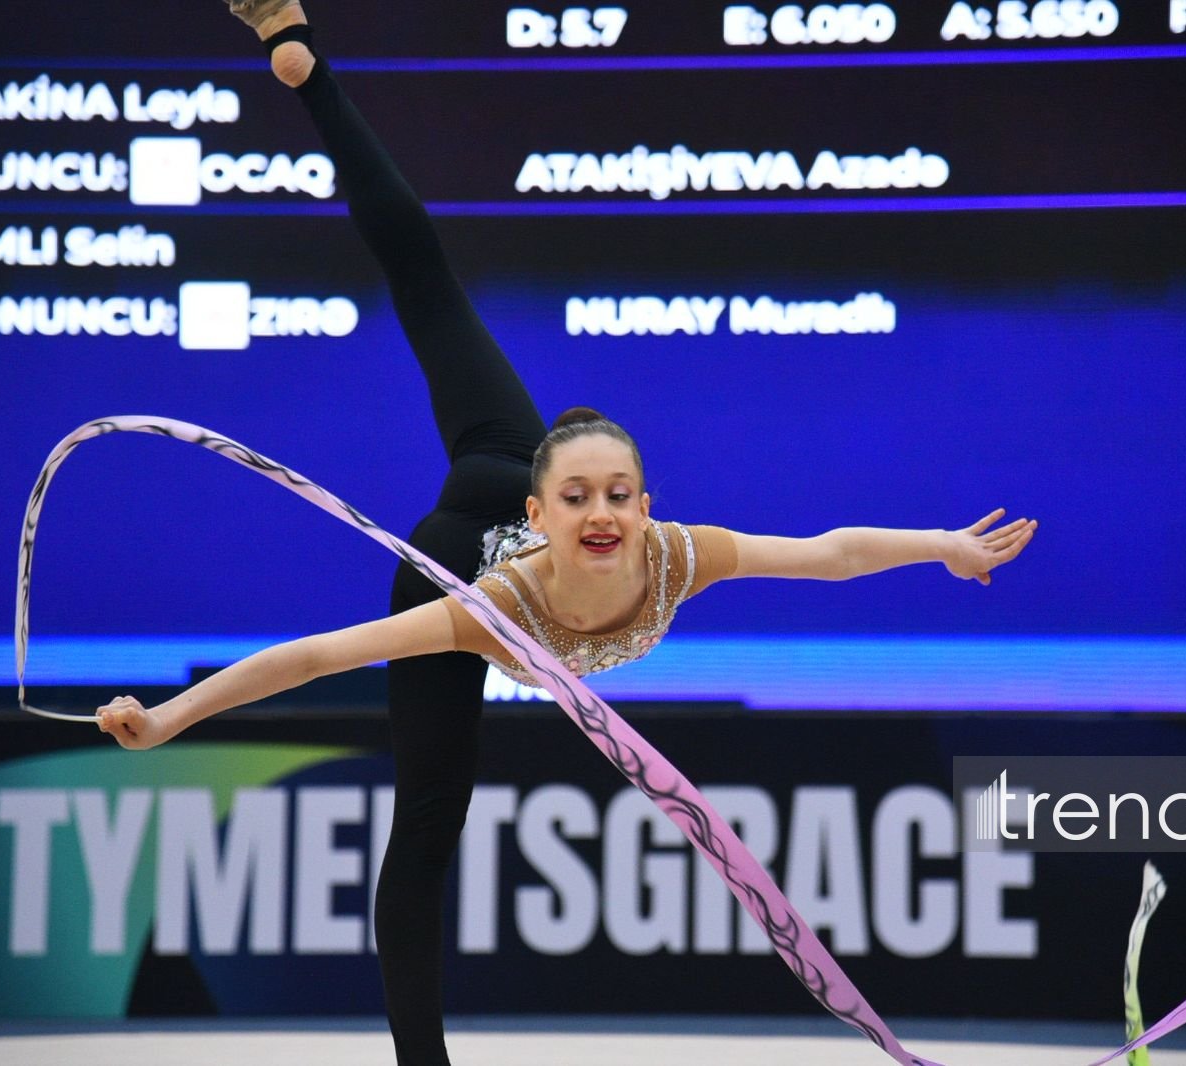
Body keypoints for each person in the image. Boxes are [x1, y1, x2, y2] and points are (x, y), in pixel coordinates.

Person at [97, 3, 1037, 1062]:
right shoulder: (490, 604)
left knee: (434, 294)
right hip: (457, 544)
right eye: (584, 497)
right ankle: (307, 65)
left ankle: (300, 50)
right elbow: (317, 656)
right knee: (428, 818)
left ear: (643, 503)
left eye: (621, 495)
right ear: (545, 514)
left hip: (515, 453)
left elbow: (827, 555)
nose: (605, 515)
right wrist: (176, 716)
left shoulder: (674, 555)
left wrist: (942, 544)